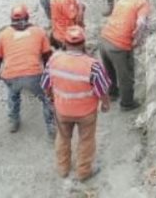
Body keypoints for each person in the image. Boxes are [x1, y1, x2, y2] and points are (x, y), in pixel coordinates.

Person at [42, 26, 111, 182]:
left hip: (62, 111)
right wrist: (105, 104)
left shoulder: (54, 60)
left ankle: (63, 168)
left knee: (63, 138)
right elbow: (102, 89)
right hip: (86, 113)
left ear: (65, 44)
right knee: (86, 140)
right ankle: (83, 172)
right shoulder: (93, 65)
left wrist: (52, 98)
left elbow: (46, 85)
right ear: (83, 43)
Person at [0, 4, 56, 137]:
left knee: (13, 94)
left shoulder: (4, 34)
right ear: (27, 17)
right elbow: (47, 57)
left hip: (11, 75)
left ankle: (14, 121)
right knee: (46, 98)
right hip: (34, 75)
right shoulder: (39, 32)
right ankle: (51, 128)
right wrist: (48, 78)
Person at [100, 0, 151, 111]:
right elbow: (141, 23)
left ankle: (112, 93)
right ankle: (127, 103)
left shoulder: (122, 0)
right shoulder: (142, 3)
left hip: (105, 39)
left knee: (109, 70)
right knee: (126, 76)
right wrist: (137, 41)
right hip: (119, 45)